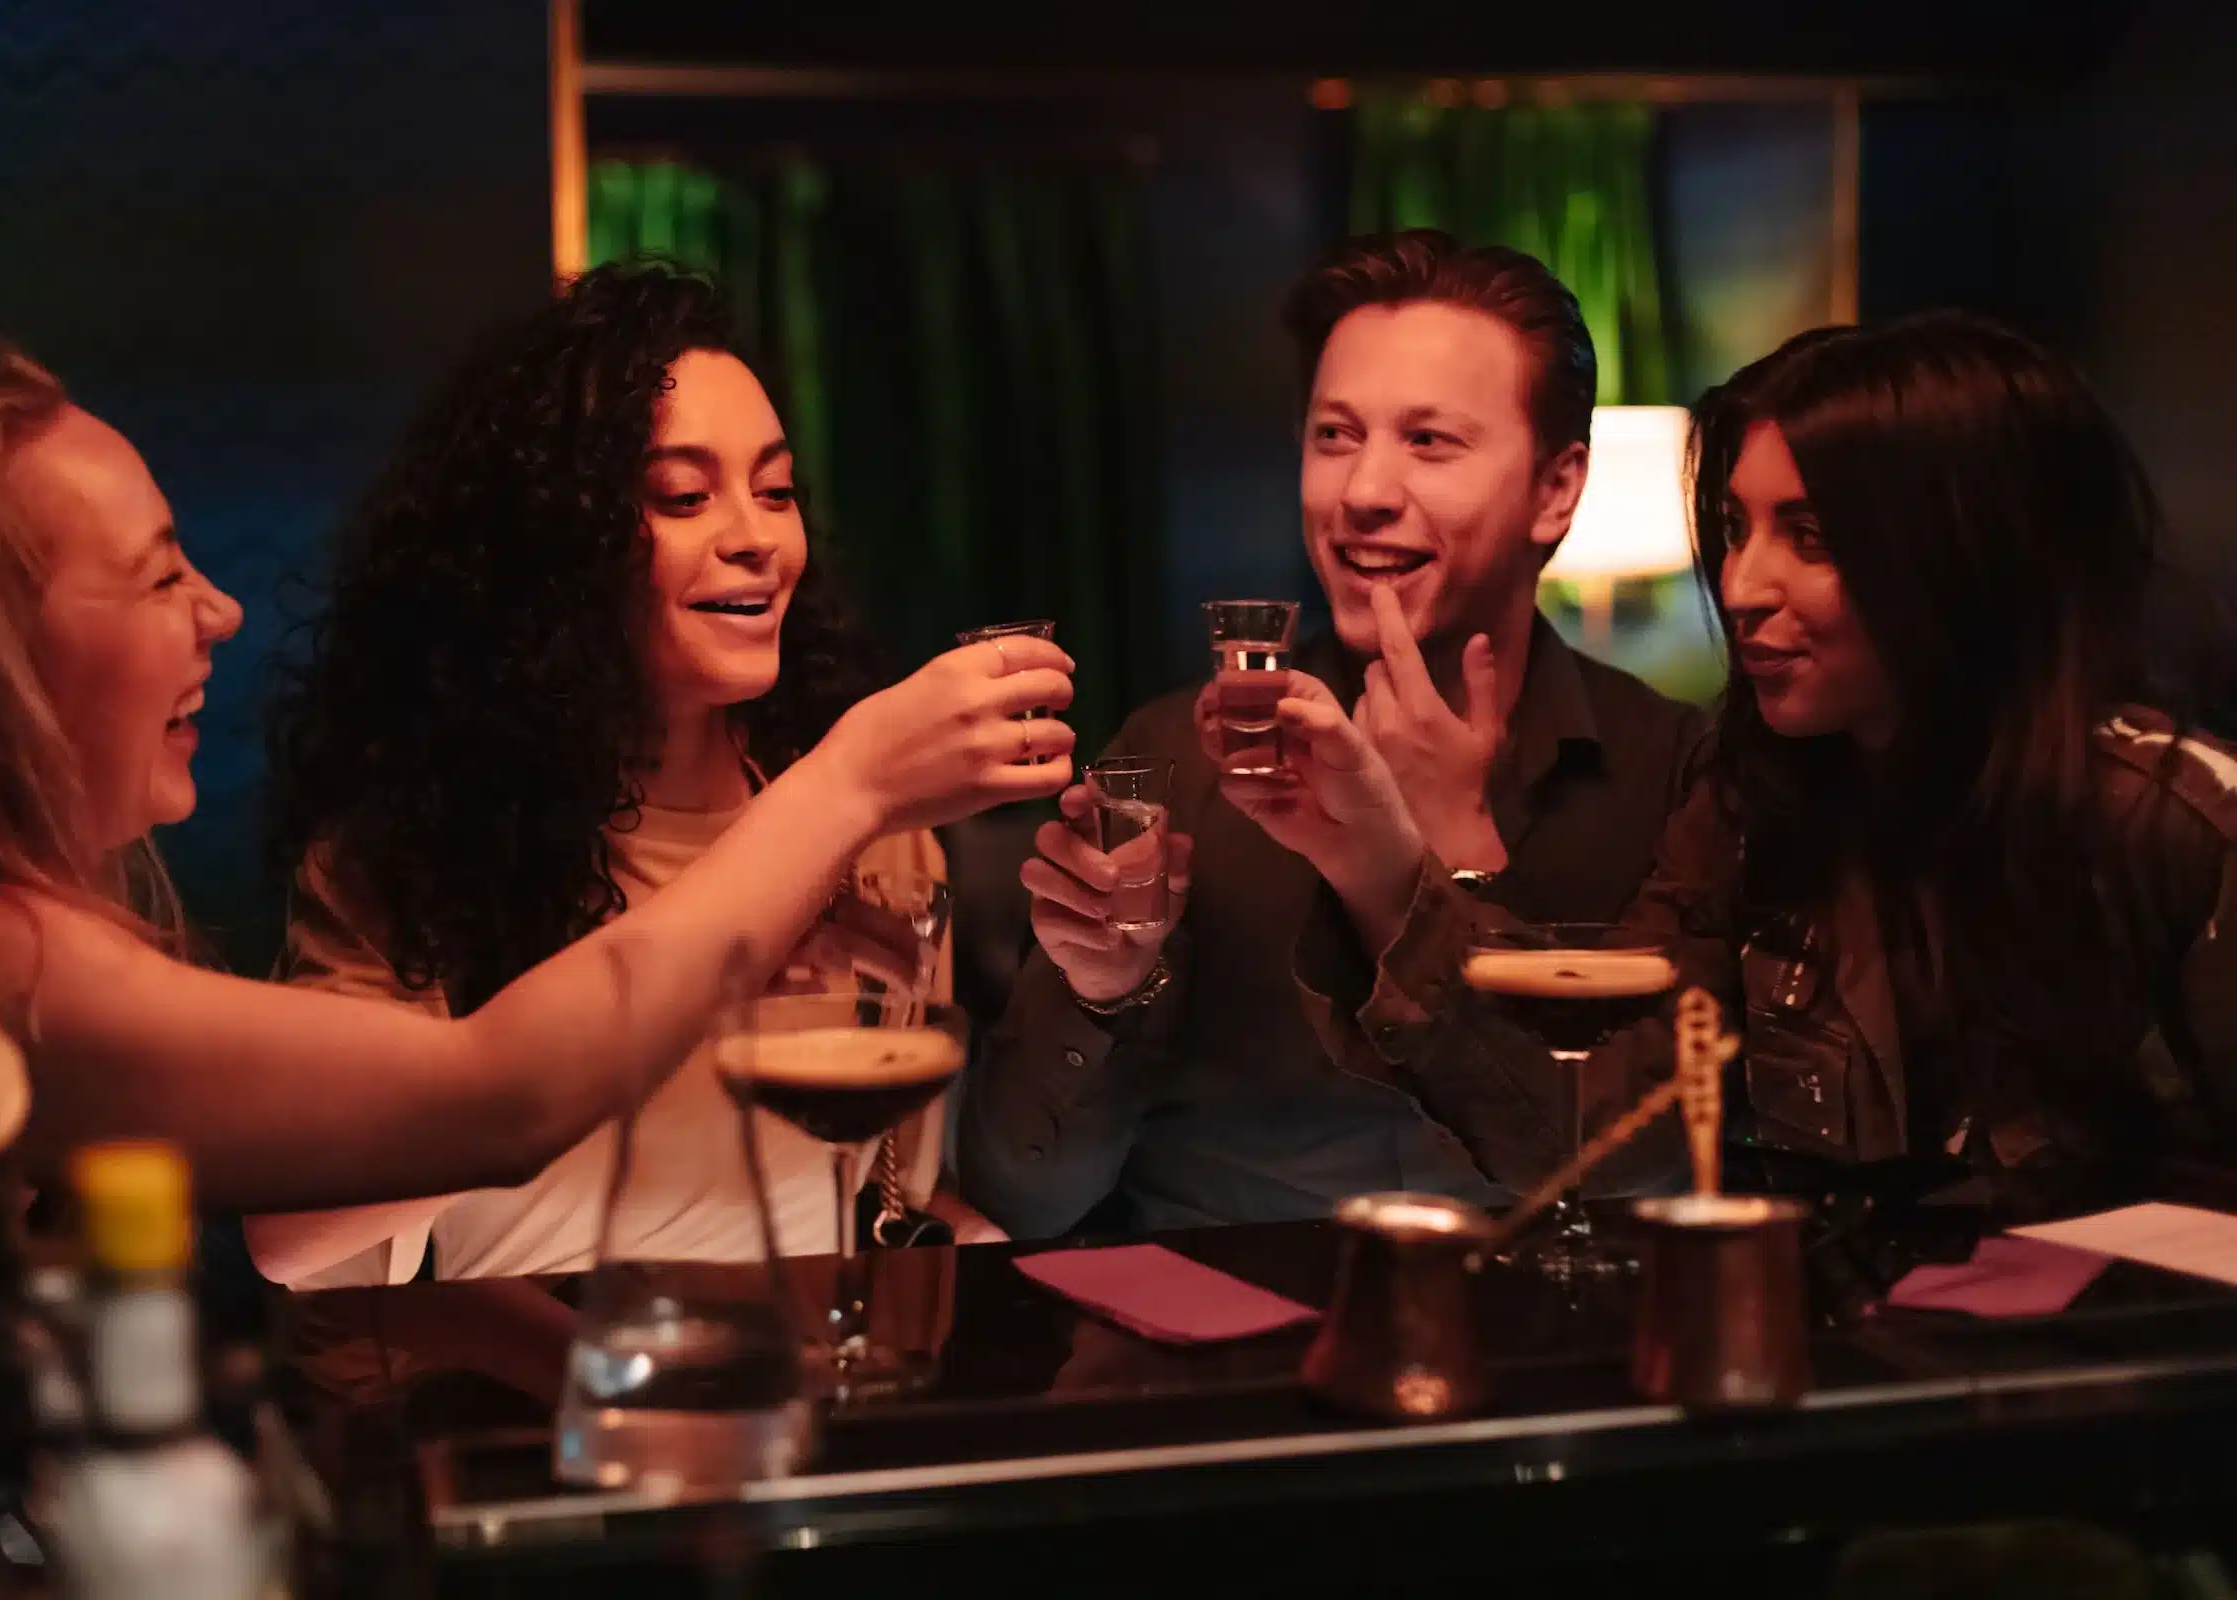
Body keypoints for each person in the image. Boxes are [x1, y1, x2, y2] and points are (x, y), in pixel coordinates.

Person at [0, 335, 1074, 1216]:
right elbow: (493, 1101)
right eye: (159, 575)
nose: (217, 609)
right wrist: (855, 778)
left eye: (778, 489)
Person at [1294, 312, 2237, 1212]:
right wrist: (1403, 865)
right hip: (1836, 1321)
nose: (1741, 586)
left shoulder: (2172, 819)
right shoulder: (1754, 807)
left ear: (1961, 554)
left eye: (1811, 538)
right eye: (1736, 530)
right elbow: (1592, 1135)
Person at [246, 263, 995, 1286]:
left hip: (804, 1365)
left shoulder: (878, 839)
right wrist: (691, 984)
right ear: (558, 547)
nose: (755, 539)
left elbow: (887, 1199)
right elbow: (292, 1229)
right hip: (542, 1374)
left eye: (776, 491)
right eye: (684, 497)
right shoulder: (420, 854)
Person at [959, 231, 1706, 1237]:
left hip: (1545, 1312)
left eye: (1429, 441)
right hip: (1219, 1311)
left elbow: (1650, 1162)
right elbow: (1022, 1198)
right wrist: (1101, 996)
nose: (1362, 493)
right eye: (1335, 436)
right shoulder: (1180, 756)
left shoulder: (1670, 770)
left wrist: (1432, 876)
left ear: (1555, 488)